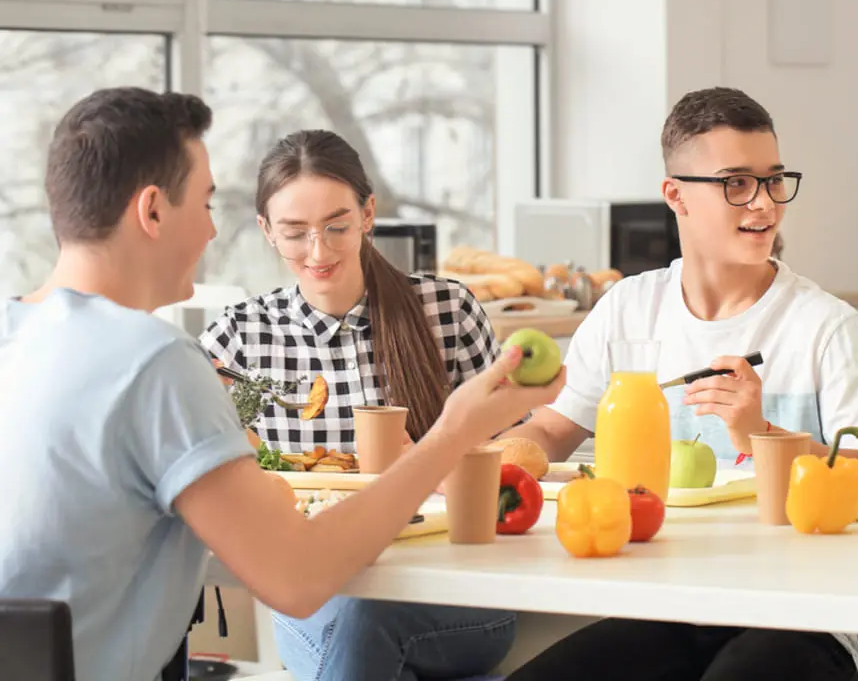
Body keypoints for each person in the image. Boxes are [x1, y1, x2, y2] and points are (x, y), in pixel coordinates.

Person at [0, 87, 564, 681]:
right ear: (154, 212)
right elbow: (297, 577)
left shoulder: (16, 335)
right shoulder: (158, 362)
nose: (214, 233)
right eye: (207, 203)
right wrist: (453, 431)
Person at [502, 86, 858, 681]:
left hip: (807, 612)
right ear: (675, 196)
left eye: (773, 179)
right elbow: (553, 428)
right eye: (736, 183)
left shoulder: (827, 326)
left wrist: (762, 432)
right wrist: (478, 461)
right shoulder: (629, 308)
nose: (764, 205)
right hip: (667, 600)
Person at [199, 129, 518, 681]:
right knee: (358, 621)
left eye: (337, 226)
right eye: (296, 233)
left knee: (366, 623)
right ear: (267, 232)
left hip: (459, 590)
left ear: (368, 214)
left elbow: (521, 470)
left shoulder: (447, 311)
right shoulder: (239, 337)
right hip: (319, 593)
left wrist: (433, 462)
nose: (318, 252)